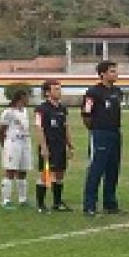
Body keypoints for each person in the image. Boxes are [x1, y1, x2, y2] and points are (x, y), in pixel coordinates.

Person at [81, 60, 124, 215]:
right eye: (112, 71)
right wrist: (95, 129)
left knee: (113, 169)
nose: (116, 74)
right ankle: (89, 204)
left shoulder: (117, 92)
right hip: (100, 133)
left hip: (115, 133)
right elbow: (86, 114)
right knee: (96, 169)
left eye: (116, 70)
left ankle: (110, 203)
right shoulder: (93, 92)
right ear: (103, 74)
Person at [34, 79, 73, 213]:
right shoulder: (41, 109)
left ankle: (57, 202)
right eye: (55, 89)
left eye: (59, 88)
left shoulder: (62, 108)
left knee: (60, 173)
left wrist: (70, 145)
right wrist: (43, 147)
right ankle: (40, 204)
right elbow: (39, 128)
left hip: (60, 145)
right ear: (47, 92)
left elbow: (66, 126)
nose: (59, 91)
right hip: (49, 145)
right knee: (46, 174)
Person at [0, 88, 32, 209]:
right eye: (27, 97)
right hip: (13, 143)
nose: (28, 99)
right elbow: (1, 130)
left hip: (25, 143)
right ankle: (5, 200)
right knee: (10, 171)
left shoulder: (25, 111)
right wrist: (5, 145)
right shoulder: (8, 112)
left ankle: (22, 200)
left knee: (23, 171)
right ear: (20, 98)